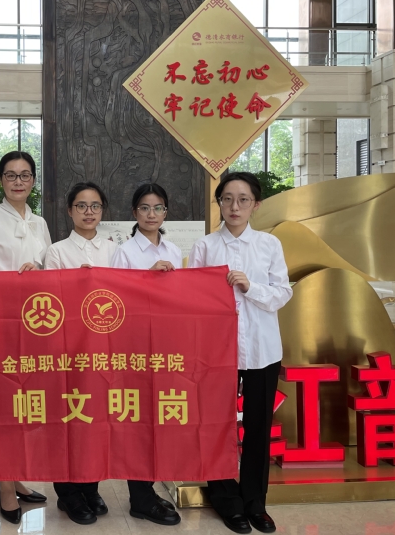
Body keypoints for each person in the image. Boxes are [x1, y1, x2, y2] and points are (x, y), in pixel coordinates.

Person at [188, 172, 292, 535]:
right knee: (217, 428)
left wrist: (251, 287)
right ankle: (226, 501)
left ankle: (255, 503)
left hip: (262, 350)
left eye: (243, 199)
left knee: (258, 428)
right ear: (219, 203)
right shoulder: (204, 247)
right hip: (217, 353)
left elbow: (283, 292)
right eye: (227, 199)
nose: (235, 206)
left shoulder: (269, 244)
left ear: (255, 205)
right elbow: (191, 299)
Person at [0, 151, 50, 524]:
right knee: (3, 406)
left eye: (25, 175)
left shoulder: (40, 223)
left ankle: (17, 475)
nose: (18, 182)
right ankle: (4, 485)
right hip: (2, 327)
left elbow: (50, 270)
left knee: (27, 405)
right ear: (1, 180)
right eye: (10, 175)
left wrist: (40, 271)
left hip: (36, 328)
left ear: (33, 180)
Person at [45, 182, 117, 525]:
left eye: (95, 206)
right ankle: (68, 492)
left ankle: (90, 486)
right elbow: (52, 299)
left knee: (95, 418)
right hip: (68, 349)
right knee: (67, 418)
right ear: (69, 210)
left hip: (103, 348)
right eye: (82, 206)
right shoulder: (56, 251)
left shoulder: (114, 250)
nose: (89, 212)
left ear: (103, 210)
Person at [110, 183, 182, 526]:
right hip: (134, 347)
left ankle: (148, 490)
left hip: (166, 346)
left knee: (159, 420)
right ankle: (138, 497)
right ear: (134, 213)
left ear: (166, 212)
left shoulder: (175, 250)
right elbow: (113, 299)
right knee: (137, 422)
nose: (151, 214)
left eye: (158, 208)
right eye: (144, 208)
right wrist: (146, 280)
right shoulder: (124, 252)